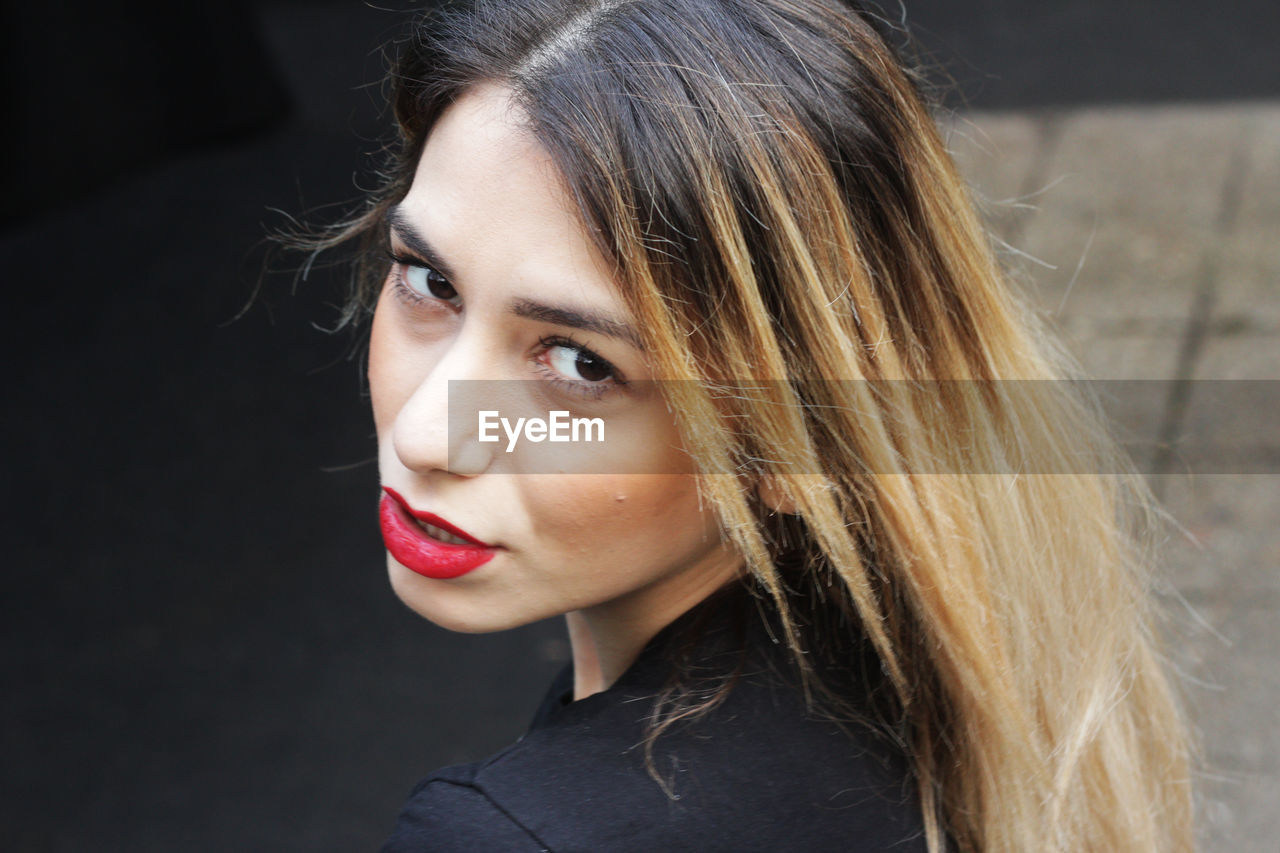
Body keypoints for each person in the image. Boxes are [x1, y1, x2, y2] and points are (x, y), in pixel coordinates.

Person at [295, 0, 1195, 849]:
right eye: (429, 281)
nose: (427, 433)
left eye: (581, 363)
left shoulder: (517, 834)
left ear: (796, 441)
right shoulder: (938, 656)